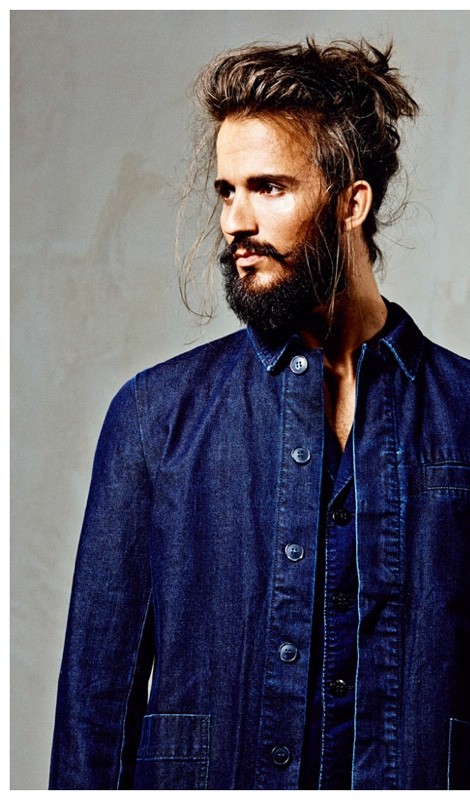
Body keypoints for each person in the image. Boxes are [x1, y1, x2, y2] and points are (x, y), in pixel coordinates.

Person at [49, 38, 470, 790]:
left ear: (351, 203)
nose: (235, 221)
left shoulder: (464, 411)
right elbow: (94, 711)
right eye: (226, 191)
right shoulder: (153, 417)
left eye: (268, 187)